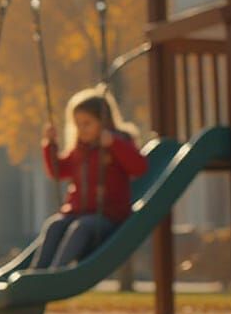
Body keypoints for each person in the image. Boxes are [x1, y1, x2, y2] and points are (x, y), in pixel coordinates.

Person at [32, 87, 148, 269]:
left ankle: (56, 272)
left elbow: (139, 168)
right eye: (77, 124)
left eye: (87, 123)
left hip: (108, 216)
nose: (81, 129)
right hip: (77, 212)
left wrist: (114, 144)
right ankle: (35, 273)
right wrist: (50, 145)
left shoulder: (118, 142)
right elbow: (58, 172)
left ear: (104, 122)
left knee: (82, 227)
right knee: (54, 225)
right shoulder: (80, 150)